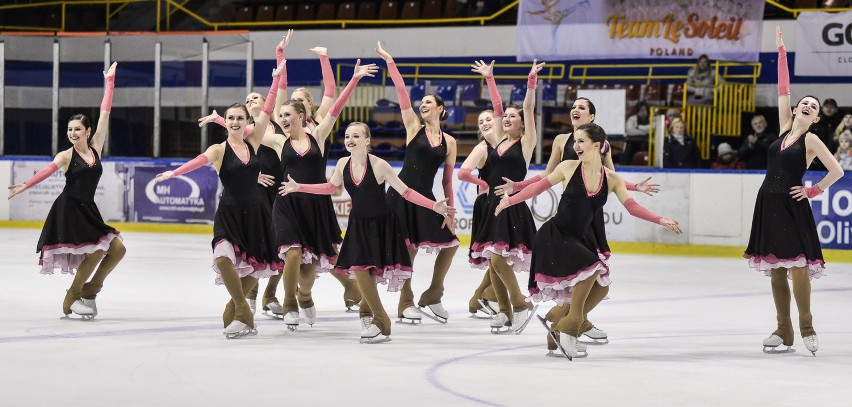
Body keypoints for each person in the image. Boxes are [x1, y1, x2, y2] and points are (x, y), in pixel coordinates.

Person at [494, 122, 682, 358]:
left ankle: (556, 332)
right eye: (575, 141)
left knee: (601, 288)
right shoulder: (568, 167)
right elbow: (538, 188)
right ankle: (570, 329)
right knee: (594, 269)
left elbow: (632, 207)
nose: (576, 146)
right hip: (555, 235)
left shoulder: (612, 178)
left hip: (578, 239)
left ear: (598, 146)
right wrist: (509, 200)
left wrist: (659, 218)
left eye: (581, 141)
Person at [279, 122, 454, 343]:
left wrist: (433, 206)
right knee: (361, 271)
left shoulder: (380, 165)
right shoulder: (343, 164)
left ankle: (378, 320)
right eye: (347, 135)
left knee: (368, 272)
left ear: (367, 140)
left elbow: (406, 192)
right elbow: (330, 188)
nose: (350, 139)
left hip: (382, 224)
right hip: (358, 224)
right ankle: (373, 316)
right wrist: (300, 187)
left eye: (356, 136)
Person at [155, 63, 286, 338]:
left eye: (240, 118)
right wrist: (174, 172)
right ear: (225, 122)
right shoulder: (218, 149)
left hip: (258, 212)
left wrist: (274, 80)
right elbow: (197, 161)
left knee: (256, 267)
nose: (236, 122)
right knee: (223, 258)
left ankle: (237, 310)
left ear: (246, 122)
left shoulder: (255, 140)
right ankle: (242, 309)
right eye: (231, 118)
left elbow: (267, 108)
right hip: (229, 213)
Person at [744, 26, 844, 356]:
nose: (806, 105)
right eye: (804, 102)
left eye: (812, 106)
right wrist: (782, 51)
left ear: (816, 118)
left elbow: (837, 170)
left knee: (798, 267)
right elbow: (783, 88)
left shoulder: (811, 140)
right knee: (775, 269)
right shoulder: (785, 126)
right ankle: (783, 330)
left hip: (791, 204)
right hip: (767, 203)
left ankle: (807, 326)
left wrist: (814, 191)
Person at [9, 63, 126, 320]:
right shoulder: (65, 155)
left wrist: (109, 83)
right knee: (97, 250)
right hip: (69, 208)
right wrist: (26, 185)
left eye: (77, 129)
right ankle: (71, 298)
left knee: (117, 249)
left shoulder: (96, 148)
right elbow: (47, 171)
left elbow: (105, 112)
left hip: (87, 208)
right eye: (69, 129)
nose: (73, 133)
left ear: (88, 131)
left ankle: (90, 290)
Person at [376, 42, 460, 324]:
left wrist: (450, 211)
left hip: (427, 196)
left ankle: (434, 294)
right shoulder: (414, 127)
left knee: (451, 244)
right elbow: (401, 93)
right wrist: (391, 63)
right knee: (409, 250)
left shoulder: (450, 142)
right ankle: (405, 304)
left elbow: (448, 182)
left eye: (428, 103)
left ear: (440, 108)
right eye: (421, 102)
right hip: (402, 193)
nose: (422, 105)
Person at [459, 59, 544, 334]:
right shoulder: (499, 139)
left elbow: (529, 107)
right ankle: (506, 312)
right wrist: (490, 78)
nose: (506, 118)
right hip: (491, 204)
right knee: (492, 262)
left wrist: (531, 81)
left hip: (510, 204)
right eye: (505, 116)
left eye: (512, 116)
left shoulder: (526, 142)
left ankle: (520, 305)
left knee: (497, 259)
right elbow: (495, 108)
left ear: (522, 124)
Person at [462, 109, 502, 319]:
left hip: (502, 202)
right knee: (501, 255)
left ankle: (482, 296)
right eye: (481, 121)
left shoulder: (506, 145)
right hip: (487, 203)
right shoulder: (482, 148)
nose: (485, 123)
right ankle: (489, 296)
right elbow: (463, 172)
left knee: (504, 255)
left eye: (489, 119)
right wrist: (482, 183)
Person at [811, 98, 842, 170]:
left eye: (831, 107)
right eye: (826, 107)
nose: (829, 109)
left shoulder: (840, 124)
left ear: (836, 109)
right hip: (817, 160)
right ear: (822, 108)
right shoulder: (815, 122)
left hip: (836, 160)